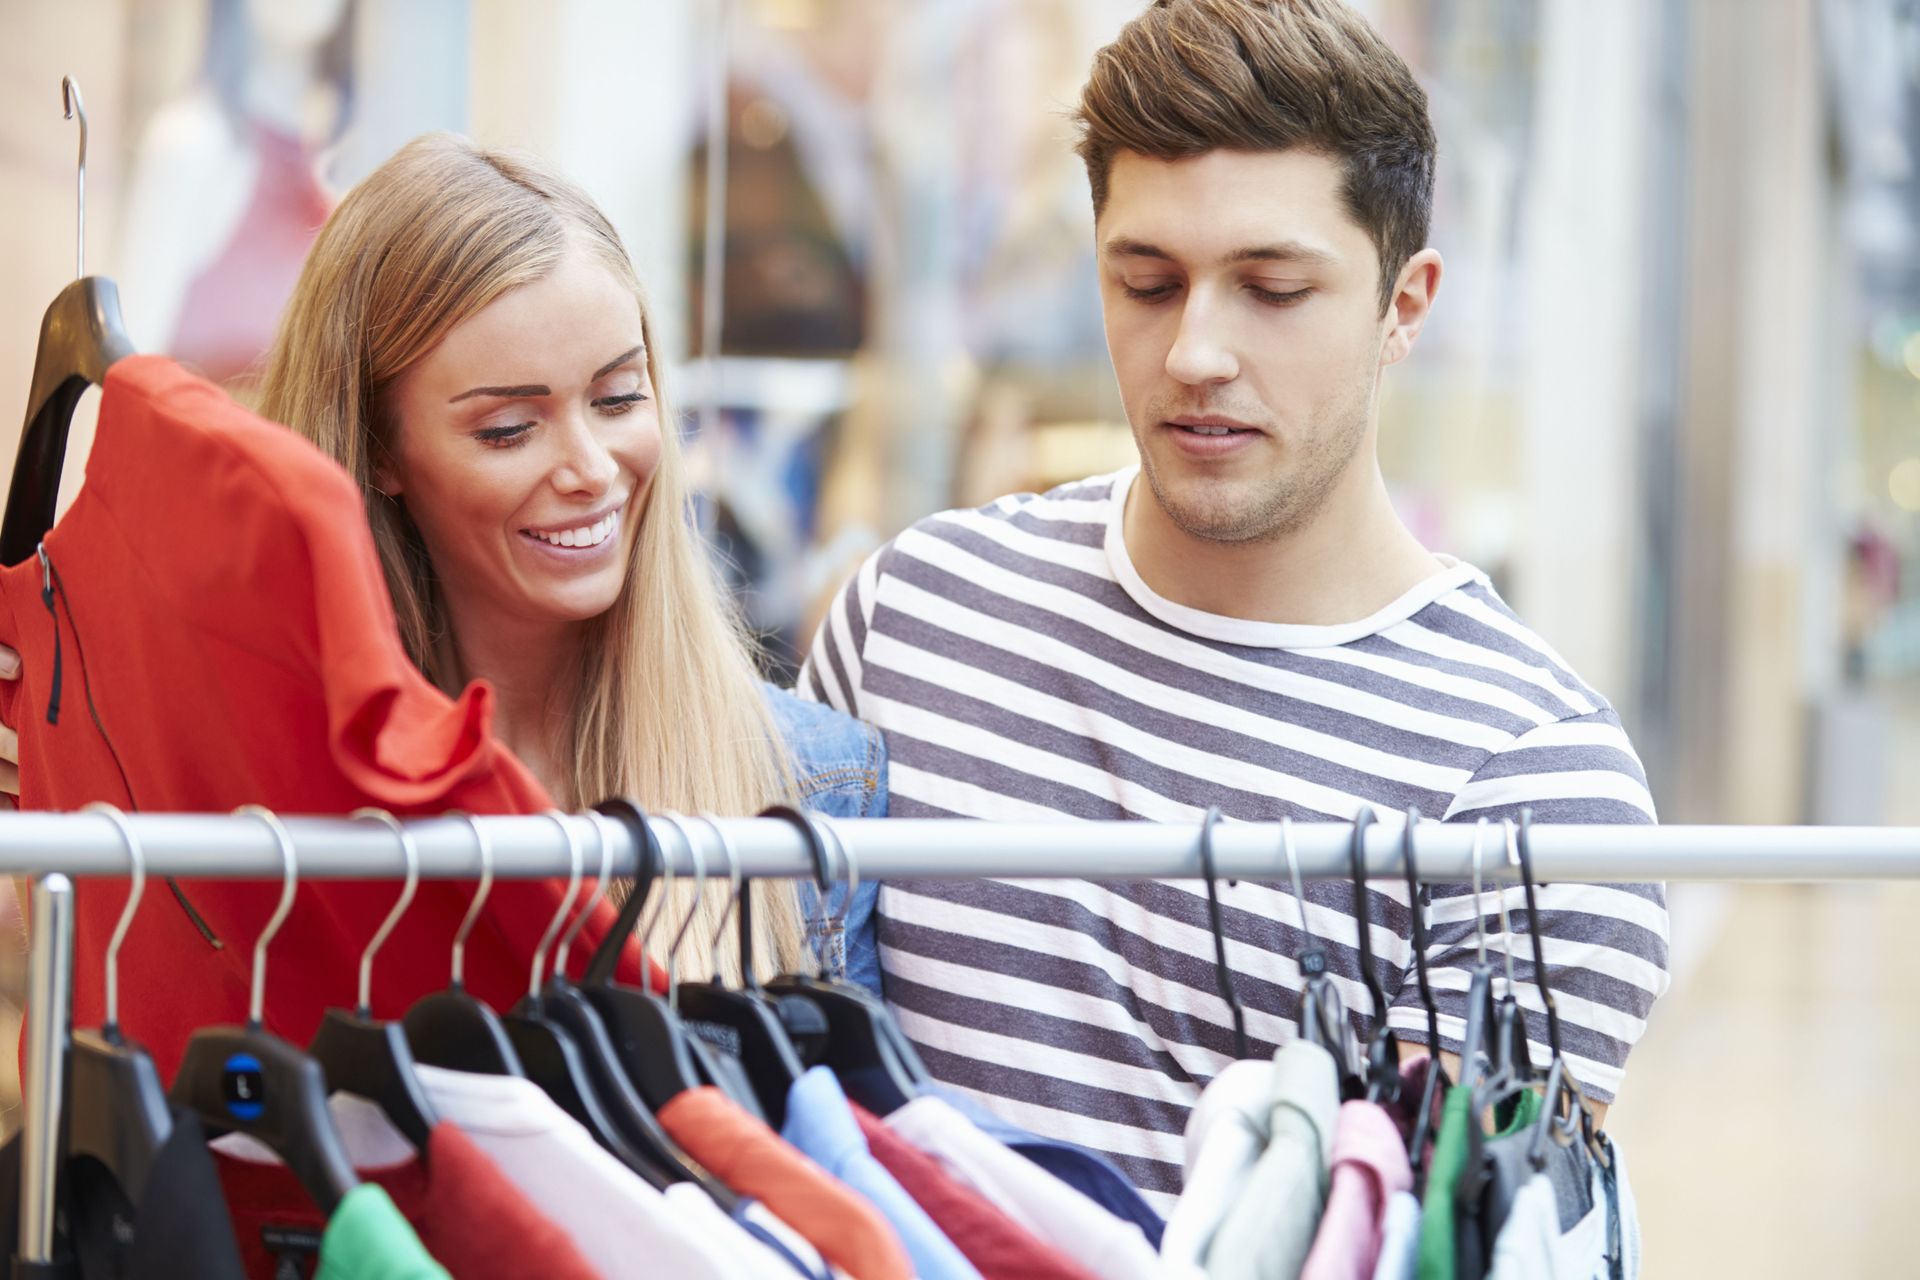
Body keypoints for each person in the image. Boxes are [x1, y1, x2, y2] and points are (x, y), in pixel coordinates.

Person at [800, 0, 1669, 1208]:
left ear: (1404, 305)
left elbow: (1428, 1235)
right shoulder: (912, 617)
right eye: (1148, 282)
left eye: (1272, 288)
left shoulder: (1531, 781)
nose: (1196, 350)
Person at [0, 132, 886, 976]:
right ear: (379, 450)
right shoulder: (221, 777)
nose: (589, 469)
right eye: (508, 429)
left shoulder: (816, 783)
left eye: (619, 398)